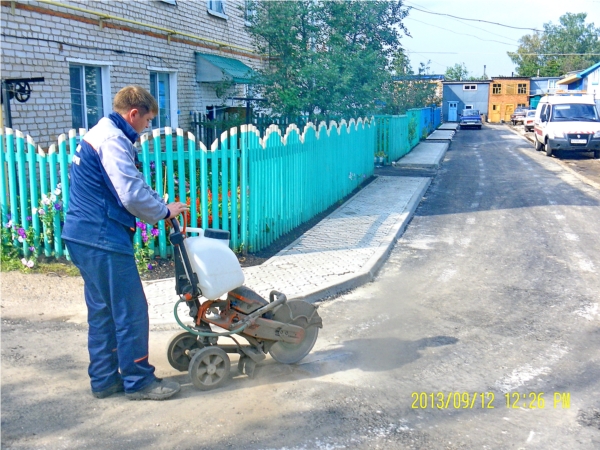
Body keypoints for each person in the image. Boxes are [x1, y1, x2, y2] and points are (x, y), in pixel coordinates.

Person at [62, 86, 188, 400]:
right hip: (102, 236)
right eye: (147, 121)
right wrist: (162, 211)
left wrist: (157, 202)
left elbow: (127, 182)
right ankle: (139, 381)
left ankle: (104, 380)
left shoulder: (100, 133)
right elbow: (130, 193)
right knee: (131, 309)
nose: (147, 128)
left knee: (103, 310)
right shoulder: (113, 140)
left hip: (81, 235)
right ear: (133, 114)